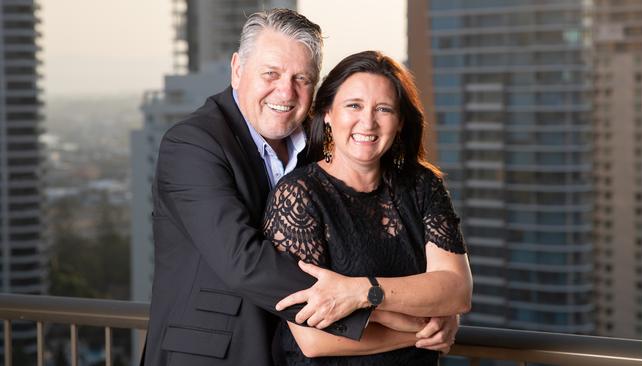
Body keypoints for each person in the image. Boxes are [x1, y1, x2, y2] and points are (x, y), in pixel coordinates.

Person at [143, 9, 460, 366]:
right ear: (237, 69)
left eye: (302, 79)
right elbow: (244, 261)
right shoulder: (193, 145)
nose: (286, 91)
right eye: (271, 74)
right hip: (214, 353)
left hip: (293, 352)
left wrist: (430, 302)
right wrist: (382, 308)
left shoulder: (320, 144)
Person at [263, 50, 473, 365]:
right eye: (354, 106)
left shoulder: (422, 185)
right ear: (328, 113)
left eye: (383, 109)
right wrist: (421, 328)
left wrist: (361, 293)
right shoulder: (298, 195)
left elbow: (457, 291)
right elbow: (313, 339)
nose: (368, 122)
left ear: (400, 121)